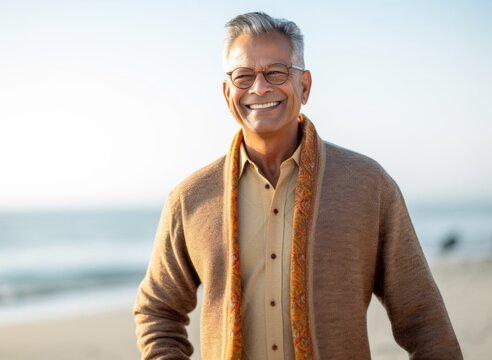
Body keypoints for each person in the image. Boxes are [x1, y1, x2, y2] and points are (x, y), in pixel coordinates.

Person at [134, 11, 462, 359]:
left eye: (276, 72)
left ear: (304, 85)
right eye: (243, 76)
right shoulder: (190, 199)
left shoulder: (368, 186)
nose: (259, 88)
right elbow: (158, 311)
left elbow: (423, 317)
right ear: (227, 91)